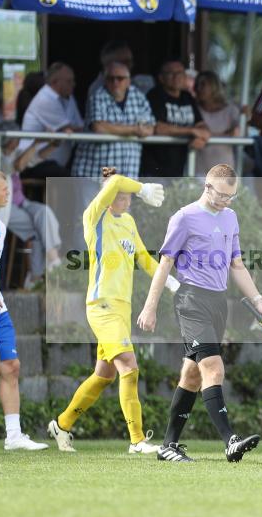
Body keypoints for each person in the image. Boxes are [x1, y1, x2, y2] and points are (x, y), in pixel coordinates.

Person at [138, 164, 262, 463]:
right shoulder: (184, 217)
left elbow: (237, 264)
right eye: (221, 195)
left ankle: (168, 445)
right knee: (213, 367)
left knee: (193, 373)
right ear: (207, 187)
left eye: (231, 197)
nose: (225, 201)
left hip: (218, 301)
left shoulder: (231, 217)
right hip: (191, 299)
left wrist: (258, 299)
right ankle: (230, 441)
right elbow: (165, 264)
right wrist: (150, 305)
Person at [48, 167, 172, 454]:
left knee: (104, 376)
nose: (126, 200)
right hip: (102, 306)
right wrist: (142, 188)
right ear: (107, 195)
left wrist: (172, 282)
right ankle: (137, 440)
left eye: (130, 196)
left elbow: (143, 258)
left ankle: (61, 424)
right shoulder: (94, 217)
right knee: (129, 366)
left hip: (122, 309)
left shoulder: (128, 221)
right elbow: (114, 181)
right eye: (121, 195)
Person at [0, 169, 48, 451]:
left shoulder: (0, 228)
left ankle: (13, 435)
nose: (9, 192)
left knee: (11, 366)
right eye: (3, 188)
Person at [0, 123, 64, 284]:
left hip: (19, 202)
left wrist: (52, 144)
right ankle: (38, 275)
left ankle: (50, 263)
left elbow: (34, 158)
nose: (18, 142)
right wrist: (36, 142)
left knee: (43, 212)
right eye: (16, 138)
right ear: (10, 141)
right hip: (1, 208)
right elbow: (17, 165)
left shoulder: (11, 152)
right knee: (38, 230)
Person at [72, 61, 154, 181]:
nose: (115, 82)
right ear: (105, 80)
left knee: (120, 198)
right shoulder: (97, 96)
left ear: (128, 81)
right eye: (111, 79)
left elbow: (150, 128)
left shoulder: (139, 96)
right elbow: (99, 127)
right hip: (98, 170)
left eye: (120, 78)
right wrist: (135, 129)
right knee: (98, 199)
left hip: (127, 170)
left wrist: (114, 128)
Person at [141, 59, 210, 178]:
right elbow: (158, 128)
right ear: (161, 78)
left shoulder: (187, 97)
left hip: (179, 169)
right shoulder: (154, 96)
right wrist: (191, 131)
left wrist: (202, 137)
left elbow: (201, 125)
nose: (176, 77)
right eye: (171, 73)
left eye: (180, 73)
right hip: (154, 169)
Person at [18, 62, 83, 175]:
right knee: (70, 177)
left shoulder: (69, 98)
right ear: (55, 82)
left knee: (81, 172)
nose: (74, 84)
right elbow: (68, 129)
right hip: (32, 162)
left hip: (53, 162)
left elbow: (79, 127)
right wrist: (98, 127)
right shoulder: (45, 99)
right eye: (69, 81)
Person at [194, 70, 241, 174]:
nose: (198, 88)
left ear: (214, 86)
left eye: (203, 84)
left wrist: (204, 135)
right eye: (197, 84)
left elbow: (238, 133)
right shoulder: (194, 109)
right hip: (197, 170)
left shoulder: (231, 110)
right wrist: (225, 134)